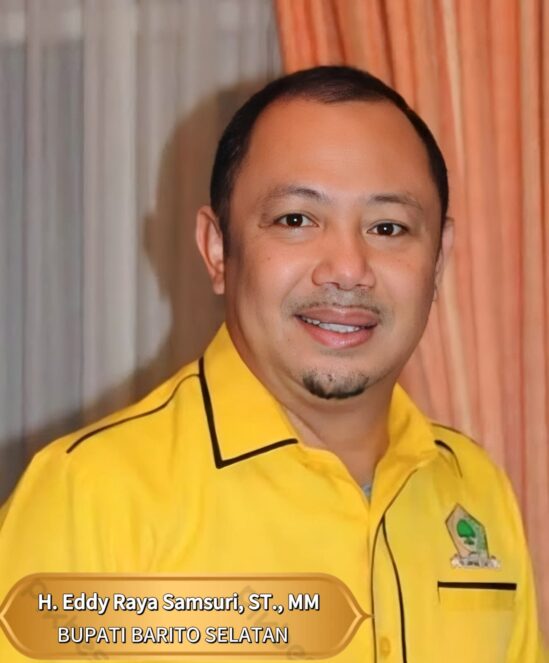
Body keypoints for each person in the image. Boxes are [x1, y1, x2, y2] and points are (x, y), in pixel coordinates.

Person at [0, 66, 545, 662]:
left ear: (438, 261)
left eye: (388, 227)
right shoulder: (92, 496)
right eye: (296, 220)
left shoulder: (475, 489)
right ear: (218, 249)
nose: (347, 268)